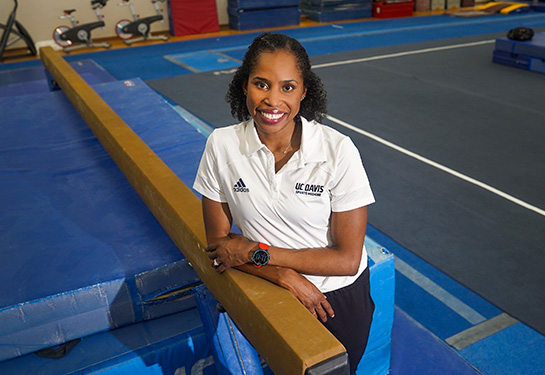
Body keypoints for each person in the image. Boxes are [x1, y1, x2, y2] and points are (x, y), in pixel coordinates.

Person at [193, 32, 375, 374]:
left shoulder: (337, 151)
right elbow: (219, 246)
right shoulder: (222, 145)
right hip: (268, 289)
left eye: (287, 87)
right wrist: (283, 275)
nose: (272, 100)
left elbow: (348, 260)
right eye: (262, 84)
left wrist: (251, 251)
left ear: (304, 91)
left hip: (336, 301)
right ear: (244, 85)